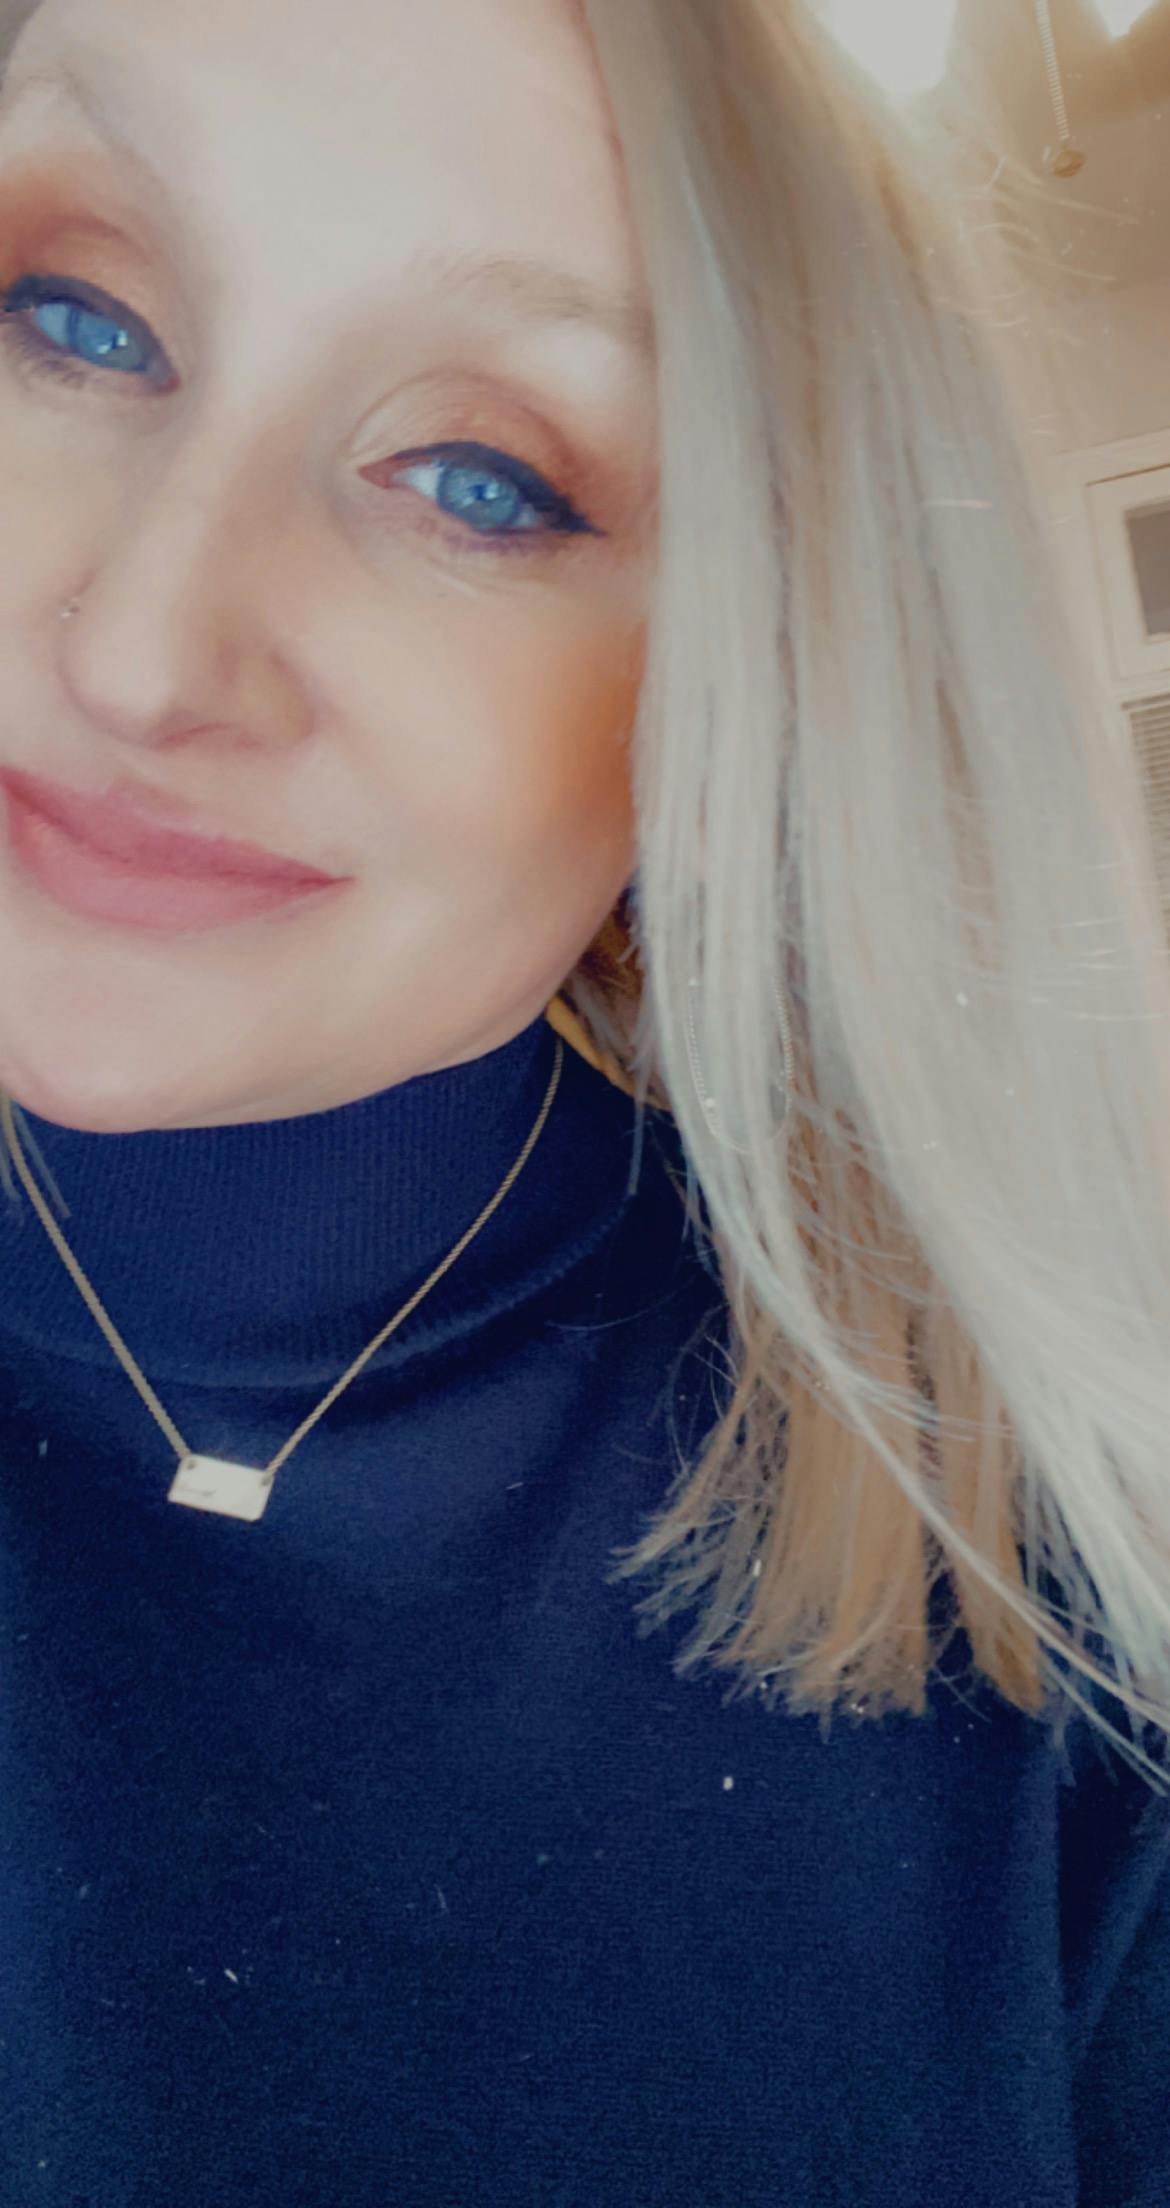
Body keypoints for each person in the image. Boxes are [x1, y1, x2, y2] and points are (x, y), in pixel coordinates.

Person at [0, 0, 1166, 2198]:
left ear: (735, 689)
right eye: (74, 317)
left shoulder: (1058, 1638)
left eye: (483, 480)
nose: (142, 652)